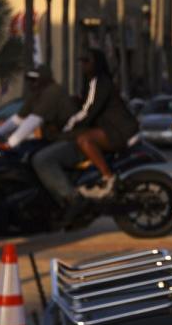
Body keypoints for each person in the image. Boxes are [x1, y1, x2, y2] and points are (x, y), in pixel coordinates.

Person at [32, 50, 138, 213]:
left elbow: (88, 111)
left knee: (83, 139)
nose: (83, 65)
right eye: (81, 61)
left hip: (119, 131)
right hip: (109, 129)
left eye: (87, 61)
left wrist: (66, 128)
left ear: (96, 63)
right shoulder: (90, 83)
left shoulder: (99, 82)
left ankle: (108, 178)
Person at [0, 65, 76, 147]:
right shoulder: (37, 93)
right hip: (50, 136)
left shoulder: (53, 91)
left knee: (38, 158)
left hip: (66, 136)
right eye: (30, 80)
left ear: (44, 80)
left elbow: (34, 120)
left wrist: (9, 144)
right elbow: (19, 118)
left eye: (35, 80)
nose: (31, 83)